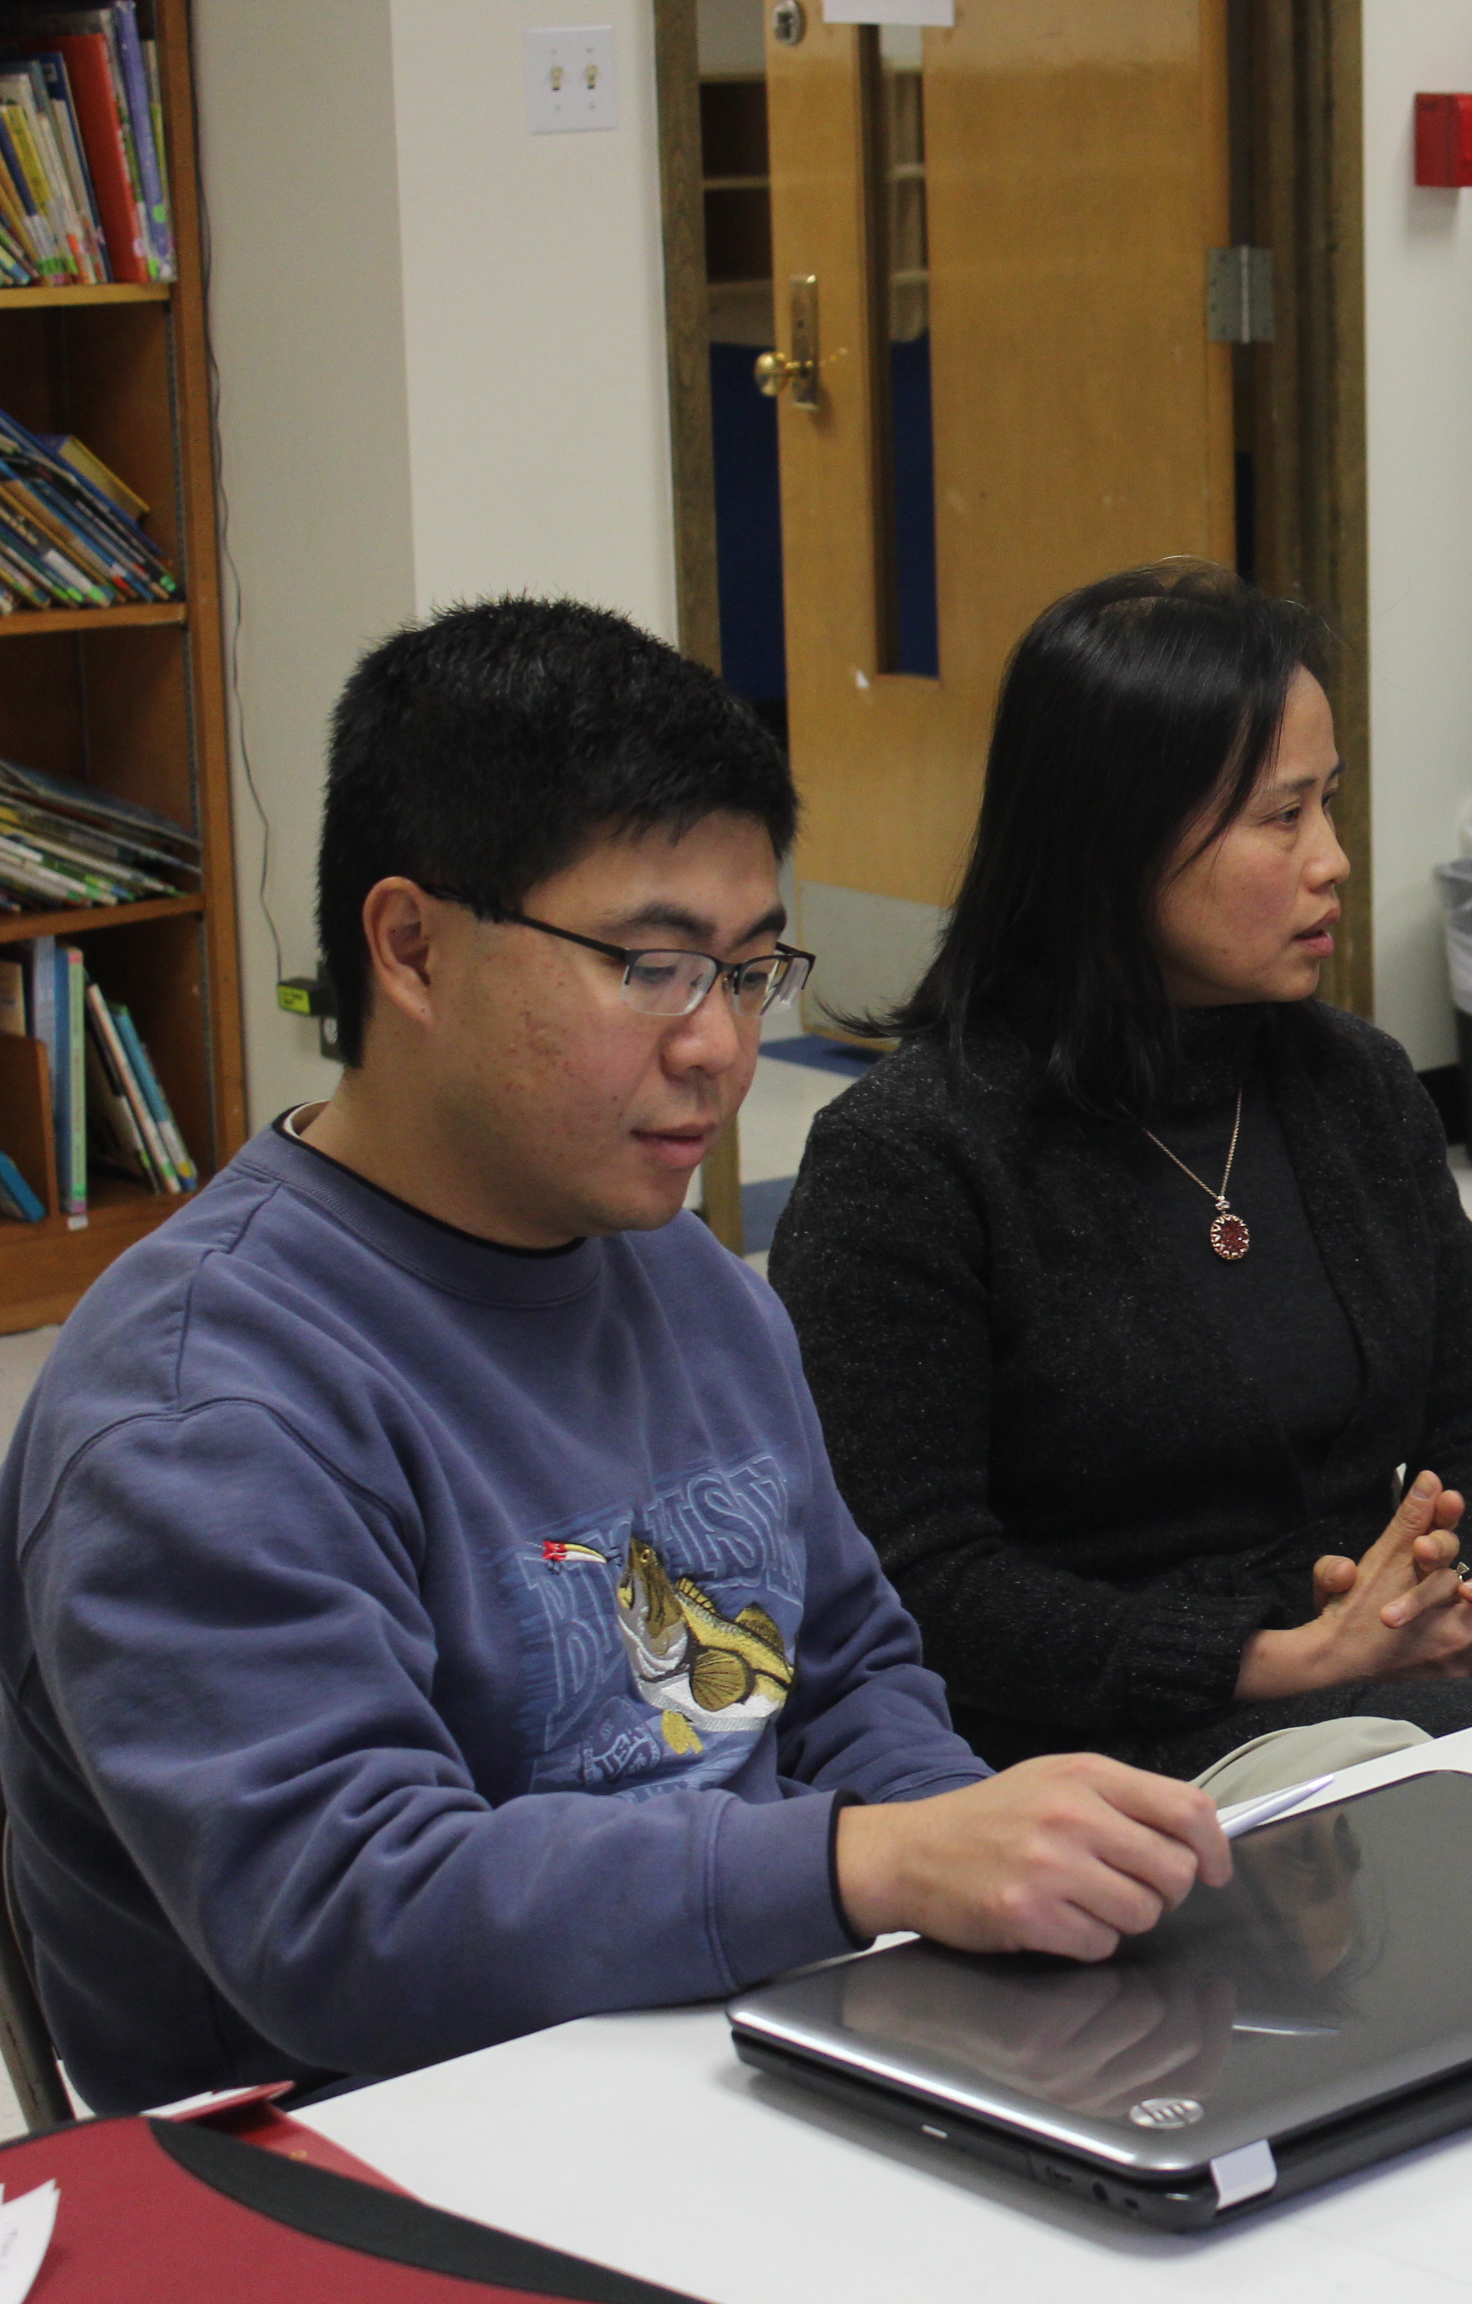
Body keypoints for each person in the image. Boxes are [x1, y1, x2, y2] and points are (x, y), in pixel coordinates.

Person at [0, 601, 1236, 2118]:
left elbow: (846, 1668)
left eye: (749, 971)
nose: (719, 1044)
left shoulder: (686, 1280)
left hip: (748, 2050)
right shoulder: (201, 1402)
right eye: (654, 966)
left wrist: (981, 1871)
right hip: (378, 2148)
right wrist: (859, 1866)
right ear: (412, 949)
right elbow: (346, 1919)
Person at [770, 564, 1472, 1787]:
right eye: (1282, 817)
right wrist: (1270, 1660)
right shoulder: (911, 1157)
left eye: (1330, 805)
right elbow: (914, 1577)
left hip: (1379, 1700)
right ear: (1116, 840)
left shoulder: (1355, 1085)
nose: (1335, 860)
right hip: (1084, 1766)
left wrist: (1455, 1597)